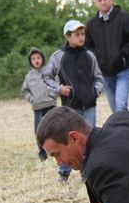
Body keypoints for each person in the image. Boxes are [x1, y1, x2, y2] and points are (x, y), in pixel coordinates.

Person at [43, 20, 104, 182]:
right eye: (76, 34)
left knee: (88, 138)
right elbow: (46, 76)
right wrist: (59, 89)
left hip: (89, 105)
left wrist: (94, 92)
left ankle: (88, 172)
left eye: (82, 34)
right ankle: (64, 172)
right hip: (70, 108)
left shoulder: (90, 56)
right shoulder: (58, 57)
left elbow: (98, 78)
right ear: (67, 37)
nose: (81, 37)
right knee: (65, 139)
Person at [85, 0, 129, 113]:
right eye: (99, 0)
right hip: (104, 72)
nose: (103, 2)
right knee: (115, 110)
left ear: (111, 0)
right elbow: (87, 46)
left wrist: (121, 54)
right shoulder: (91, 24)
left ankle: (126, 131)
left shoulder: (123, 17)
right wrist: (98, 58)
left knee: (121, 107)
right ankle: (122, 131)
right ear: (95, 3)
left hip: (123, 69)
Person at [20, 47, 57, 161]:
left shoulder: (49, 72)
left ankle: (55, 149)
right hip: (38, 108)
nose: (36, 60)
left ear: (43, 59)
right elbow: (24, 91)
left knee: (53, 129)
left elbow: (57, 84)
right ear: (30, 61)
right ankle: (42, 153)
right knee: (39, 131)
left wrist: (52, 95)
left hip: (50, 105)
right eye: (33, 59)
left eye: (39, 58)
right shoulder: (29, 76)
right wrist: (31, 99)